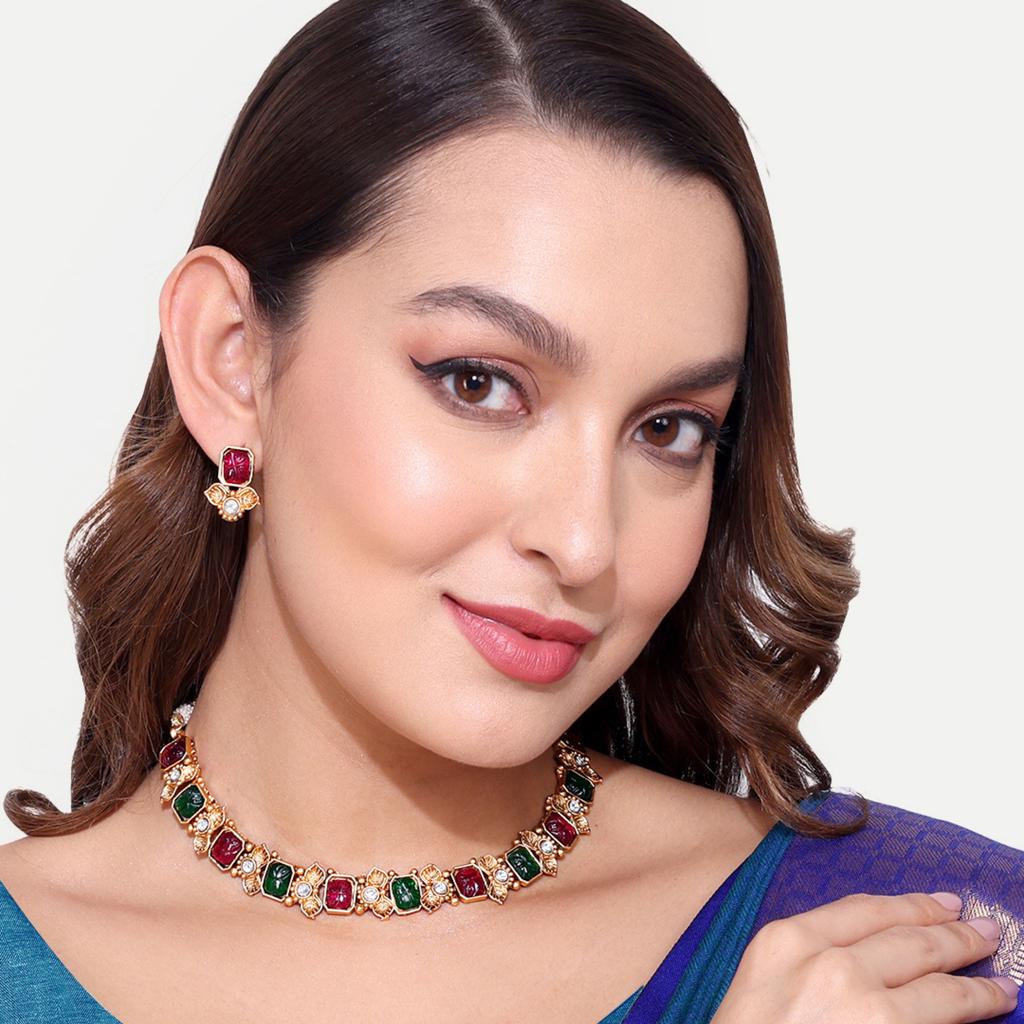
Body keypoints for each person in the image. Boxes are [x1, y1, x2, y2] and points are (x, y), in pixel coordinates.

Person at [1, 1, 1020, 1022]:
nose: (583, 542)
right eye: (479, 383)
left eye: (668, 429)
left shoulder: (941, 950)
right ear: (231, 359)